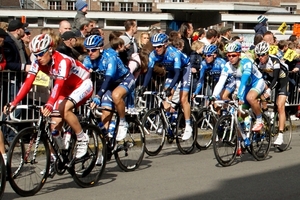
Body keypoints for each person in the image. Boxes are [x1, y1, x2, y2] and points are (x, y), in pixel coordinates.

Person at [4, 33, 93, 159]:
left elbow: (58, 84)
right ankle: (60, 150)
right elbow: (28, 82)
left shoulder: (63, 61)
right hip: (66, 88)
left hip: (82, 84)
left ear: (50, 50)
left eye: (40, 53)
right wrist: (14, 102)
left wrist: (50, 104)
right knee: (54, 124)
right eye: (35, 54)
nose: (38, 57)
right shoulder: (37, 62)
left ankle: (81, 137)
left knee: (64, 109)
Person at [138, 33, 193, 140]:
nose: (157, 49)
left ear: (165, 45)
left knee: (183, 99)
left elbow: (178, 74)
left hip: (184, 70)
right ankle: (169, 121)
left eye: (159, 46)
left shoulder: (174, 54)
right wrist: (143, 87)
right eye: (155, 46)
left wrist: (170, 88)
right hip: (172, 72)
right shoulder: (153, 55)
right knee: (166, 100)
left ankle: (188, 126)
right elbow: (149, 72)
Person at [83, 35, 135, 141]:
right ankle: (106, 148)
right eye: (87, 50)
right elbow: (82, 77)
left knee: (116, 96)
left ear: (100, 48)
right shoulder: (88, 60)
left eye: (93, 50)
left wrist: (98, 95)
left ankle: (122, 121)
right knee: (105, 114)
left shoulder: (110, 57)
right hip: (111, 85)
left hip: (125, 79)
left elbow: (108, 78)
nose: (90, 53)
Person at [255, 41, 289, 145]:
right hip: (269, 79)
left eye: (263, 55)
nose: (260, 57)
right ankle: (266, 116)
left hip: (282, 79)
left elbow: (276, 79)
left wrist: (268, 91)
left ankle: (281, 135)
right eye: (258, 55)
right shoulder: (257, 62)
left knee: (280, 106)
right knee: (258, 96)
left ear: (267, 53)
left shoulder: (274, 61)